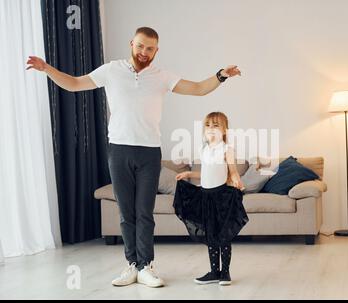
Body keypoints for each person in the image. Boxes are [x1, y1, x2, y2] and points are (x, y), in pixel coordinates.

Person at [26, 27, 241, 288]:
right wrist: (47, 68)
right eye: (140, 46)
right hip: (118, 150)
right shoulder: (111, 70)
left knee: (144, 212)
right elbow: (74, 84)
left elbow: (197, 88)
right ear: (132, 44)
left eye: (150, 48)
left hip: (149, 152)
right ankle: (132, 265)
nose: (144, 52)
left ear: (156, 51)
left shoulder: (162, 76)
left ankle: (146, 266)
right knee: (127, 213)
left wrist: (221, 75)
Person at [173, 111, 248, 286]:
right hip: (205, 197)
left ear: (224, 130)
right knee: (211, 236)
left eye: (216, 126)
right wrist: (189, 173)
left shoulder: (227, 149)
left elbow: (233, 171)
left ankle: (225, 273)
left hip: (221, 197)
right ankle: (214, 271)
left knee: (223, 236)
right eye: (208, 126)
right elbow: (206, 173)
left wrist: (238, 181)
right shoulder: (204, 149)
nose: (211, 129)